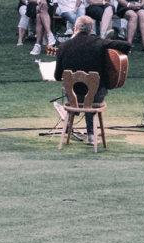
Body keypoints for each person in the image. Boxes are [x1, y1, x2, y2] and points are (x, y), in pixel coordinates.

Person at [53, 15, 131, 147]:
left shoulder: (63, 46)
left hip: (73, 98)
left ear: (75, 28)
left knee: (75, 91)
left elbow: (57, 76)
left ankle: (71, 113)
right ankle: (91, 135)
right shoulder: (99, 42)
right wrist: (107, 51)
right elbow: (126, 45)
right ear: (91, 29)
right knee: (92, 92)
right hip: (96, 96)